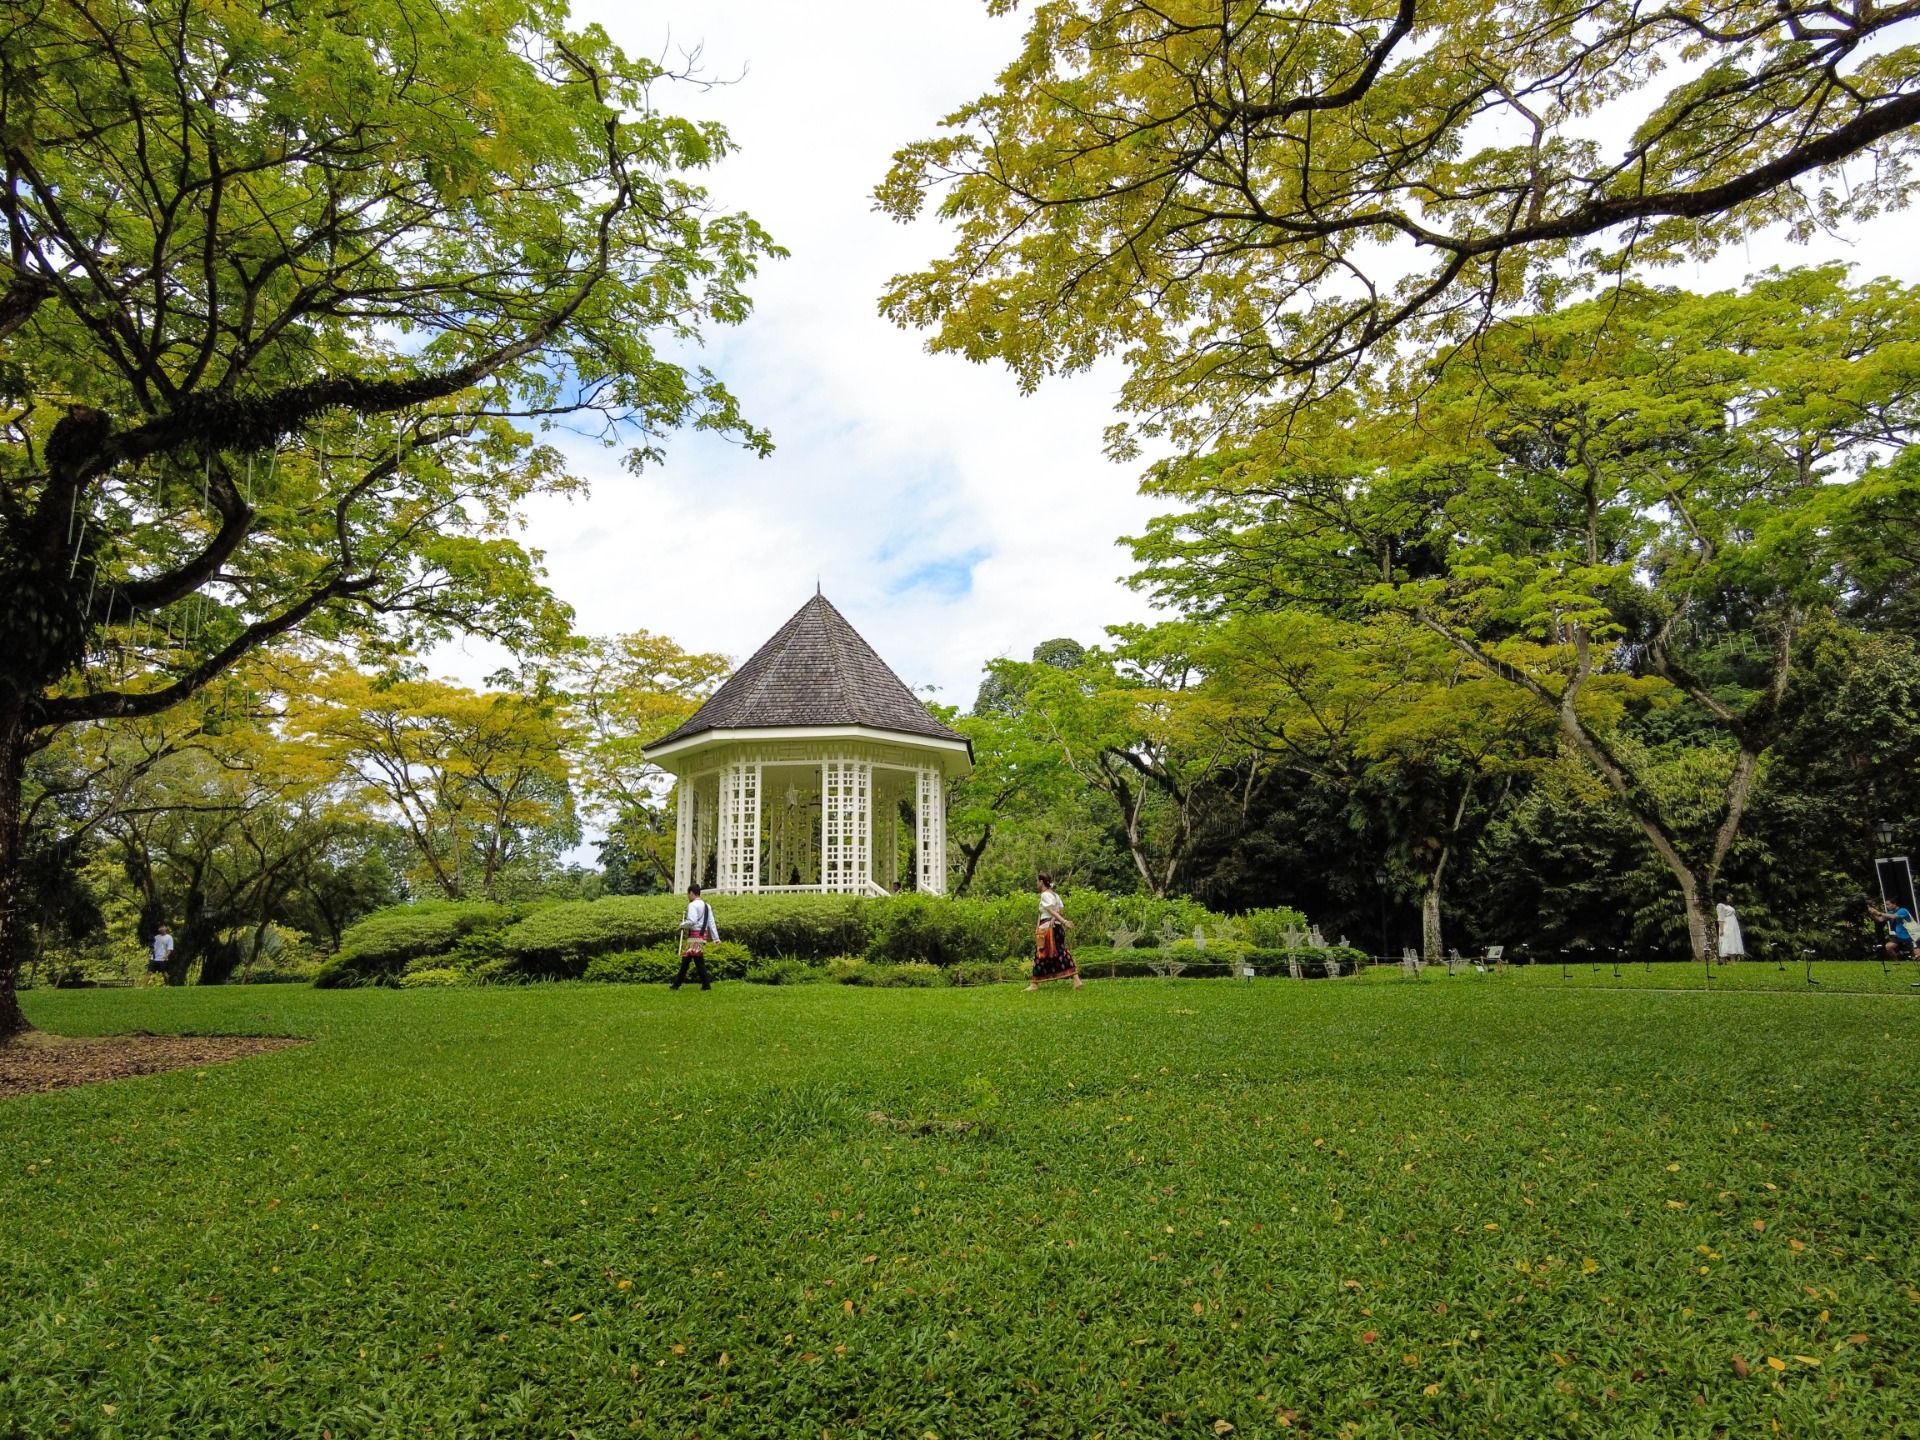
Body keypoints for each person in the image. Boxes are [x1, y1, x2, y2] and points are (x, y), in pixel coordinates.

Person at [1027, 872, 1082, 991]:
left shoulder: (1045, 895)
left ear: (1041, 882)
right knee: (1060, 952)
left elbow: (1052, 911)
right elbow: (1058, 910)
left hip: (1048, 929)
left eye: (1037, 881)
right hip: (1056, 928)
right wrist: (1057, 920)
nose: (1037, 883)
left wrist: (1064, 921)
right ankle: (1076, 979)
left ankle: (1034, 984)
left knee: (1041, 953)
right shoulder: (1055, 895)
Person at [673, 885, 717, 991]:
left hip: (695, 935)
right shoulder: (707, 906)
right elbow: (711, 922)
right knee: (686, 959)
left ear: (692, 893)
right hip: (701, 935)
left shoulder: (692, 905)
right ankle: (676, 984)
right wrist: (716, 938)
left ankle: (706, 985)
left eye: (688, 894)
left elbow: (692, 921)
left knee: (698, 961)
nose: (688, 896)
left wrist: (682, 925)